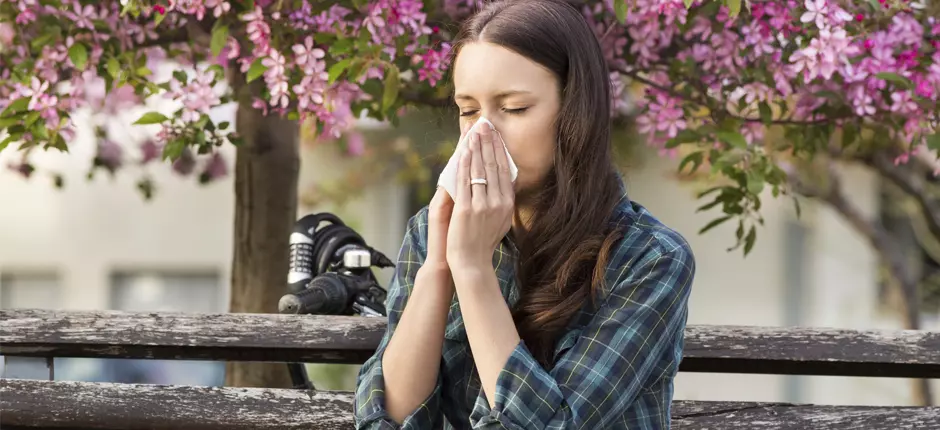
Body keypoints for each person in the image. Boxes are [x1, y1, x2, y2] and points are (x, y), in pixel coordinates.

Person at [354, 0, 696, 428]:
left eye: (513, 108)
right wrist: (440, 266)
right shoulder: (433, 231)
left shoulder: (650, 257)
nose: (483, 133)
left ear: (576, 111)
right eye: (468, 110)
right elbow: (388, 419)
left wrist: (473, 269)